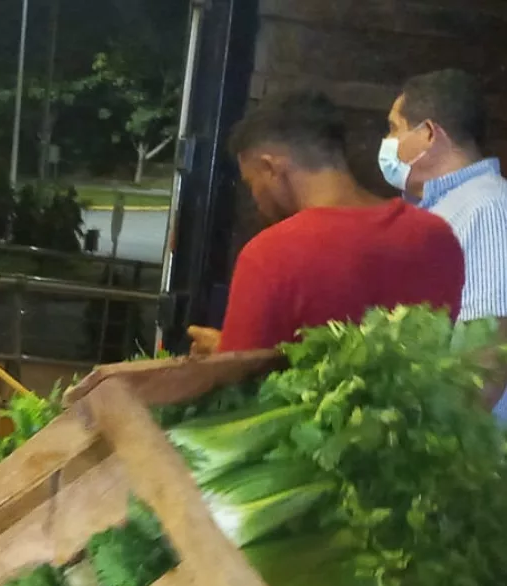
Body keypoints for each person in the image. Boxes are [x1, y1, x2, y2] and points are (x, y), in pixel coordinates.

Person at [187, 91, 464, 355]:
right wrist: (229, 346)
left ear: (270, 167)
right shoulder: (436, 236)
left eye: (251, 182)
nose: (255, 198)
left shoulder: (269, 255)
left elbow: (242, 380)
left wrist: (225, 355)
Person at [381, 69, 507, 414]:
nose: (388, 141)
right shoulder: (440, 208)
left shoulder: (487, 207)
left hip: (472, 456)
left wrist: (444, 447)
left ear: (429, 135)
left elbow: (488, 348)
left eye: (395, 128)